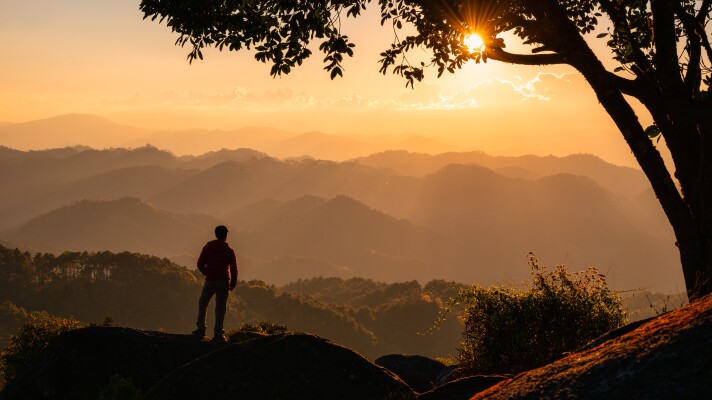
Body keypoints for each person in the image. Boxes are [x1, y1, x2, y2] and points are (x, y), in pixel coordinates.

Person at [192, 225, 238, 342]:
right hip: (223, 281)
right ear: (226, 236)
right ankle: (218, 333)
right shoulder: (229, 250)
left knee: (203, 303)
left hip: (210, 280)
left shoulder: (208, 247)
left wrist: (207, 272)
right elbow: (233, 269)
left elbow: (200, 263)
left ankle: (201, 329)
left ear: (216, 234)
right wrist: (232, 284)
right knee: (220, 307)